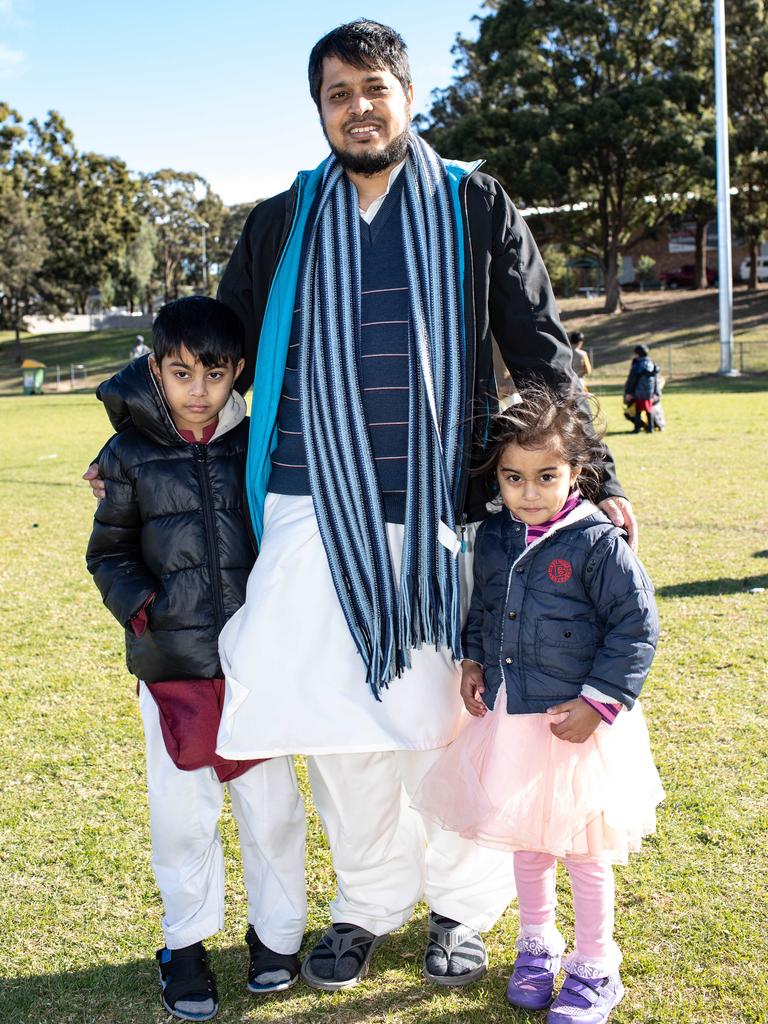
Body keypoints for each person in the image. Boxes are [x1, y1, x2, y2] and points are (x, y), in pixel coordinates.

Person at [84, 18, 638, 992]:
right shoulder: (285, 218)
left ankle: (462, 907)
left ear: (407, 96)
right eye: (338, 93)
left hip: (442, 507)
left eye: (373, 87)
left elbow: (541, 346)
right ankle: (368, 903)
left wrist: (598, 479)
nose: (358, 106)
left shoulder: (474, 205)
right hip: (307, 509)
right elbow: (207, 350)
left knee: (455, 718)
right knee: (342, 732)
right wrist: (127, 436)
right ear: (322, 109)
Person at [413, 382, 663, 1024]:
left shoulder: (597, 542)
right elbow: (486, 606)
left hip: (577, 725)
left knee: (583, 849)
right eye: (513, 477)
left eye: (546, 476)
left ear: (576, 473)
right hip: (513, 716)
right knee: (528, 841)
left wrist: (600, 701)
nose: (528, 492)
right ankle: (536, 944)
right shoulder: (498, 536)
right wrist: (473, 658)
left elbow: (636, 627)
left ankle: (596, 965)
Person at [85, 296, 307, 1022]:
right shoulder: (127, 455)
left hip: (256, 665)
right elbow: (108, 550)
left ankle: (276, 937)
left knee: (271, 811)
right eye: (181, 373)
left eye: (214, 373)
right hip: (172, 665)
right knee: (183, 816)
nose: (199, 389)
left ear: (237, 371)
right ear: (156, 369)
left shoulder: (260, 440)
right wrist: (142, 607)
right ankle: (184, 946)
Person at [624, 344, 660, 433]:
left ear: (638, 354)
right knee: (649, 410)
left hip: (638, 392)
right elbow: (656, 379)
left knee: (638, 411)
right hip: (649, 392)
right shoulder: (652, 364)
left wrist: (629, 391)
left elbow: (632, 379)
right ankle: (650, 428)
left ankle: (637, 428)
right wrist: (656, 392)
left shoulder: (637, 364)